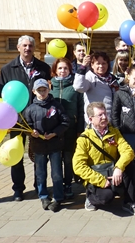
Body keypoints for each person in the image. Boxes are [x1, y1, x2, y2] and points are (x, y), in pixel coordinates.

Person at [0, 35, 51, 202]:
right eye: (24, 45)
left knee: (39, 155)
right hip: (16, 120)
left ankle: (39, 185)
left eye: (30, 45)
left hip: (39, 118)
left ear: (34, 48)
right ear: (18, 48)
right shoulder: (7, 70)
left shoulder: (43, 67)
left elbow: (49, 92)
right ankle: (18, 189)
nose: (27, 48)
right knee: (16, 155)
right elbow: (2, 96)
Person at [73, 102, 135, 215]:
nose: (104, 117)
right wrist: (101, 180)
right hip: (97, 176)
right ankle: (90, 198)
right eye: (100, 115)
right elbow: (78, 167)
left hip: (113, 171)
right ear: (91, 119)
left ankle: (129, 203)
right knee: (106, 198)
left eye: (105, 114)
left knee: (130, 164)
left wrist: (119, 168)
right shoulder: (83, 139)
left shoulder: (114, 132)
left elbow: (128, 151)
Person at [23, 79, 70, 212]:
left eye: (44, 90)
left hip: (54, 145)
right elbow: (27, 126)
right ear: (34, 92)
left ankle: (58, 197)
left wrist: (55, 133)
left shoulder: (56, 106)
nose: (42, 93)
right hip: (38, 146)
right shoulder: (30, 109)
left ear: (49, 90)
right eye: (39, 90)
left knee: (56, 173)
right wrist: (32, 133)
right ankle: (43, 196)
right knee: (40, 173)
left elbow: (65, 122)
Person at [111, 67, 135, 201]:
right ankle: (130, 187)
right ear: (128, 77)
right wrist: (117, 132)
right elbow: (114, 114)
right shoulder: (119, 93)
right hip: (126, 134)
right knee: (129, 161)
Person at [50, 58, 85, 199]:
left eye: (65, 68)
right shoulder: (50, 88)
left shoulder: (75, 88)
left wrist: (80, 129)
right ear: (55, 70)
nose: (62, 71)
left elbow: (81, 110)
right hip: (54, 131)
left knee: (68, 159)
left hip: (71, 129)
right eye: (60, 68)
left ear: (70, 70)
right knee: (56, 159)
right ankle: (58, 185)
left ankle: (68, 184)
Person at [74, 51, 119, 121]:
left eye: (104, 63)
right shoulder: (89, 77)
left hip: (110, 119)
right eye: (98, 63)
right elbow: (79, 87)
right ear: (92, 65)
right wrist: (82, 67)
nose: (101, 66)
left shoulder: (112, 79)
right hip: (95, 121)